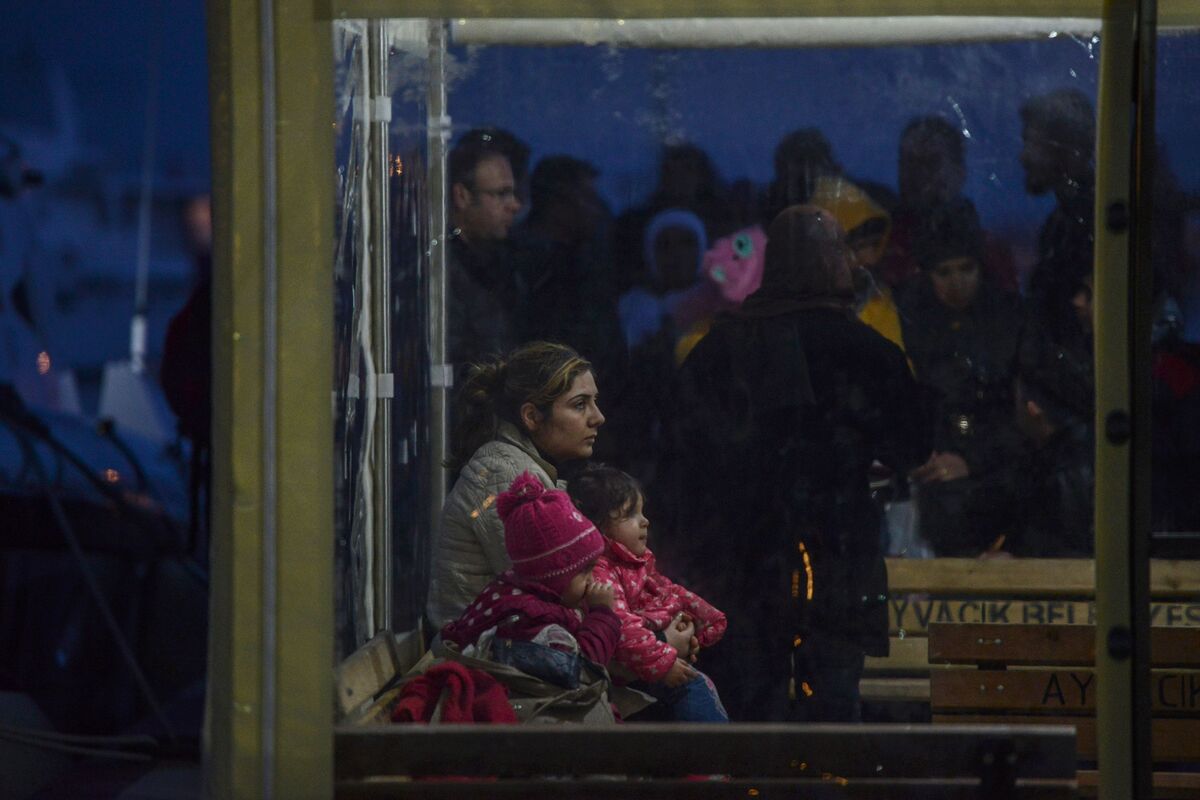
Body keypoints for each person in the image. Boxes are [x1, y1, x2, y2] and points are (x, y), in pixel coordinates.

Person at [668, 205, 929, 722]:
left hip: (740, 561)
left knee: (748, 706)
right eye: (844, 252)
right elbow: (911, 447)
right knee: (831, 707)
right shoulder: (870, 353)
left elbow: (683, 456)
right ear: (834, 261)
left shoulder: (719, 350)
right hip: (836, 555)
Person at [426, 341, 605, 631]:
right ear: (532, 416)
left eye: (594, 402)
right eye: (580, 405)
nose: (598, 417)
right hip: (483, 657)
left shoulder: (519, 466)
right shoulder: (508, 476)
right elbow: (557, 595)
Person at [896, 202, 1025, 556]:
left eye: (966, 269)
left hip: (998, 474)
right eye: (944, 272)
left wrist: (972, 460)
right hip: (927, 471)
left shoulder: (1010, 319)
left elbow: (1026, 415)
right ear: (927, 274)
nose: (957, 282)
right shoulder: (907, 320)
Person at [568, 464, 728, 722]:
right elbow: (622, 627)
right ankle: (715, 757)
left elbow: (672, 594)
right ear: (599, 524)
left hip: (653, 655)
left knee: (699, 685)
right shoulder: (600, 570)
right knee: (692, 687)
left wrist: (700, 625)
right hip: (635, 670)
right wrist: (665, 659)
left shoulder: (633, 564)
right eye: (630, 514)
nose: (645, 521)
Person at [440, 471, 620, 669]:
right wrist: (602, 615)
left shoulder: (507, 592)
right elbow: (581, 671)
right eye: (584, 571)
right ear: (551, 577)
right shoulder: (534, 622)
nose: (591, 580)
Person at [1019, 89, 1096, 348]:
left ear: (1070, 151)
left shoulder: (1093, 222)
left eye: (1033, 144)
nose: (1024, 157)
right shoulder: (1062, 222)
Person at [446, 133, 524, 374]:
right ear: (462, 196)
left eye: (513, 193)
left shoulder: (503, 262)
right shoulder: (440, 271)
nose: (515, 205)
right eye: (501, 194)